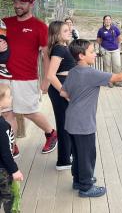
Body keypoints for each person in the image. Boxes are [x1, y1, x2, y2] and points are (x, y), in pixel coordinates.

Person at [60, 39, 122, 197]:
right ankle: (86, 187)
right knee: (87, 155)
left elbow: (63, 93)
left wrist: (77, 99)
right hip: (84, 123)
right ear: (81, 56)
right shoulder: (91, 73)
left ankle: (78, 180)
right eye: (91, 52)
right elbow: (118, 77)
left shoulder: (73, 71)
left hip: (71, 120)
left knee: (77, 153)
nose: (95, 54)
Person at [0, 0, 57, 158]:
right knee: (6, 113)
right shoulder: (4, 23)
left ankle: (51, 133)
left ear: (31, 4)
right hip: (3, 76)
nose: (17, 5)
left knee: (28, 111)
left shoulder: (40, 26)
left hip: (26, 77)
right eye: (16, 2)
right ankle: (11, 146)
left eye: (22, 3)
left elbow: (46, 55)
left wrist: (47, 79)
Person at [47, 21, 76, 170]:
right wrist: (64, 92)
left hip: (65, 86)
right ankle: (63, 161)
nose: (69, 32)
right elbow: (51, 75)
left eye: (69, 29)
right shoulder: (58, 49)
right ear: (57, 34)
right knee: (64, 124)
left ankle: (69, 153)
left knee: (68, 123)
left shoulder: (64, 47)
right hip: (60, 89)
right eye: (65, 30)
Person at [0, 84, 23, 213]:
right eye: (8, 96)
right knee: (10, 198)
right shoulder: (2, 125)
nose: (11, 98)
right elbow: (5, 152)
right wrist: (14, 170)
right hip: (3, 170)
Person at [96, 15, 122, 88]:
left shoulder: (115, 28)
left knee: (117, 66)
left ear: (111, 21)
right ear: (104, 21)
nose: (107, 21)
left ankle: (116, 81)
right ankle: (109, 81)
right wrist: (104, 45)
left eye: (109, 19)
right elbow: (98, 40)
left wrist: (116, 45)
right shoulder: (101, 30)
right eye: (106, 19)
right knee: (107, 67)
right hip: (106, 51)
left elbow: (119, 38)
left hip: (115, 50)